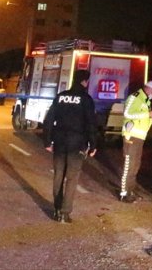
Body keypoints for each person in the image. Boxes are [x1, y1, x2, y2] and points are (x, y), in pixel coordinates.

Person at [42, 69, 97, 223]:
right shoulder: (86, 99)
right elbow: (91, 124)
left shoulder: (61, 97)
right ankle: (65, 213)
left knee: (58, 175)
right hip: (77, 144)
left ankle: (57, 209)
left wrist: (47, 141)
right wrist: (93, 145)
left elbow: (49, 120)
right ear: (85, 82)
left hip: (59, 142)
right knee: (71, 178)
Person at [118, 79, 152, 203]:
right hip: (131, 136)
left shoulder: (145, 100)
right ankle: (124, 193)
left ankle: (130, 191)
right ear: (149, 88)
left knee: (135, 166)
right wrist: (147, 115)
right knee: (129, 165)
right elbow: (127, 113)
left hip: (139, 137)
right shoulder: (135, 97)